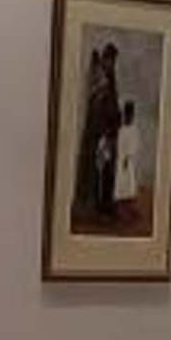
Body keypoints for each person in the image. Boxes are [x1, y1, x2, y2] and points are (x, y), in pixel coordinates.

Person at [73, 41, 122, 228]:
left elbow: (112, 104)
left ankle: (104, 205)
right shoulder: (100, 79)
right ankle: (95, 206)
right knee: (98, 169)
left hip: (107, 132)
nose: (112, 64)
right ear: (106, 58)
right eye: (110, 59)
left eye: (113, 60)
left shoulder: (109, 77)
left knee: (107, 169)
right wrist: (105, 131)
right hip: (99, 133)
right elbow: (100, 107)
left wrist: (112, 127)